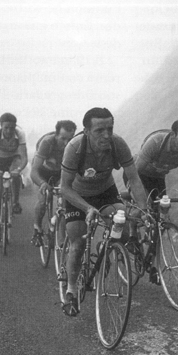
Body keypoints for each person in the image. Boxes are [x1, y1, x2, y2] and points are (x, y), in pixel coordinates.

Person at [60, 107, 148, 317]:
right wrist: (87, 208)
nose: (106, 135)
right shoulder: (75, 148)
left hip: (105, 191)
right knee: (78, 242)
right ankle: (71, 291)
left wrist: (143, 208)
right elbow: (64, 188)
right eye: (99, 130)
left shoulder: (117, 144)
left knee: (124, 230)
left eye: (110, 128)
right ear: (87, 131)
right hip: (77, 196)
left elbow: (134, 178)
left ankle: (105, 246)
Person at [29, 120, 77, 246]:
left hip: (61, 173)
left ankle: (60, 239)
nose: (66, 143)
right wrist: (42, 183)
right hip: (43, 173)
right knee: (44, 198)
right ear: (56, 135)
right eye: (63, 138)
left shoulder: (75, 144)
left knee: (65, 201)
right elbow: (34, 171)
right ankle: (37, 228)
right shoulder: (47, 143)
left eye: (70, 139)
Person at [0, 112, 28, 242]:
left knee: (15, 174)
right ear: (1, 127)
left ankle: (15, 202)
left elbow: (24, 158)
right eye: (6, 128)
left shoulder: (20, 133)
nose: (9, 131)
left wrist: (19, 169)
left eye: (12, 128)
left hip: (14, 158)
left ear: (15, 126)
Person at [132, 119, 178, 204]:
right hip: (136, 173)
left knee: (162, 210)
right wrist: (143, 198)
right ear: (173, 135)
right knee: (145, 206)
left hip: (157, 177)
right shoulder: (155, 142)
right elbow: (134, 175)